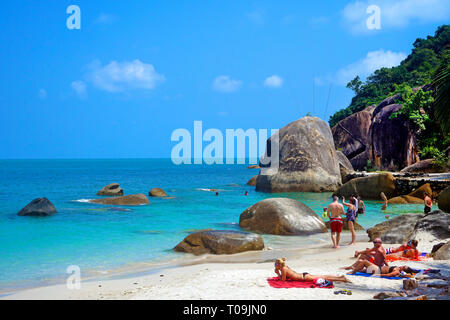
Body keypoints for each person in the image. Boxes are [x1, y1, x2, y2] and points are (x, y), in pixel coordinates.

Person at [274, 258, 351, 283]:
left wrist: (278, 274)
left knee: (324, 278)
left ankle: (342, 279)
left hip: (304, 278)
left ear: (278, 265)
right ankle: (340, 277)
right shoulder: (284, 267)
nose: (274, 266)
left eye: (275, 265)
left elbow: (283, 280)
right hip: (304, 275)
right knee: (323, 276)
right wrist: (279, 272)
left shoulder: (283, 269)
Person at [343, 259, 414, 278]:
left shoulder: (397, 272)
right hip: (376, 268)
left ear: (404, 270)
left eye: (404, 267)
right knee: (360, 261)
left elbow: (388, 275)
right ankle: (348, 268)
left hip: (377, 270)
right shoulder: (397, 268)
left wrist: (378, 275)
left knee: (364, 261)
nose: (402, 266)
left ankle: (353, 272)